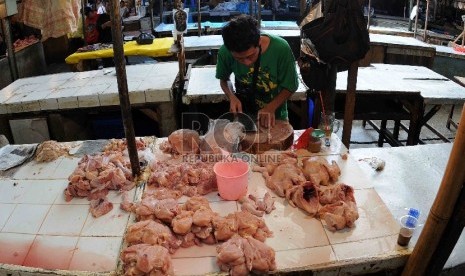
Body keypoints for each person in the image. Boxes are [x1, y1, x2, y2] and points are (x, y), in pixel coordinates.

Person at [215, 14, 298, 128]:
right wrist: (231, 96)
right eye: (239, 58)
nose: (247, 63)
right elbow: (224, 79)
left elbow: (290, 86)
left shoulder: (281, 48)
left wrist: (271, 107)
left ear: (259, 41)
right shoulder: (225, 52)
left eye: (251, 56)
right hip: (245, 118)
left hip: (275, 118)